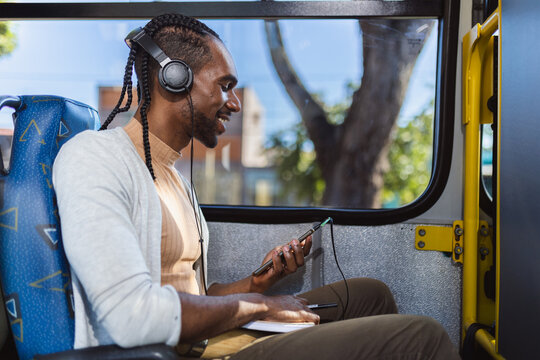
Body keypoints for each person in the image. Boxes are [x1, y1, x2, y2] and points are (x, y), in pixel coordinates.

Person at [52, 13, 460, 359]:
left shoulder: (175, 177)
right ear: (173, 78)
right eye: (225, 85)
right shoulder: (95, 158)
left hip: (206, 336)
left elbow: (193, 292)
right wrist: (256, 306)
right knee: (423, 338)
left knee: (370, 293)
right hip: (179, 351)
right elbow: (129, 315)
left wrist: (256, 284)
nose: (236, 103)